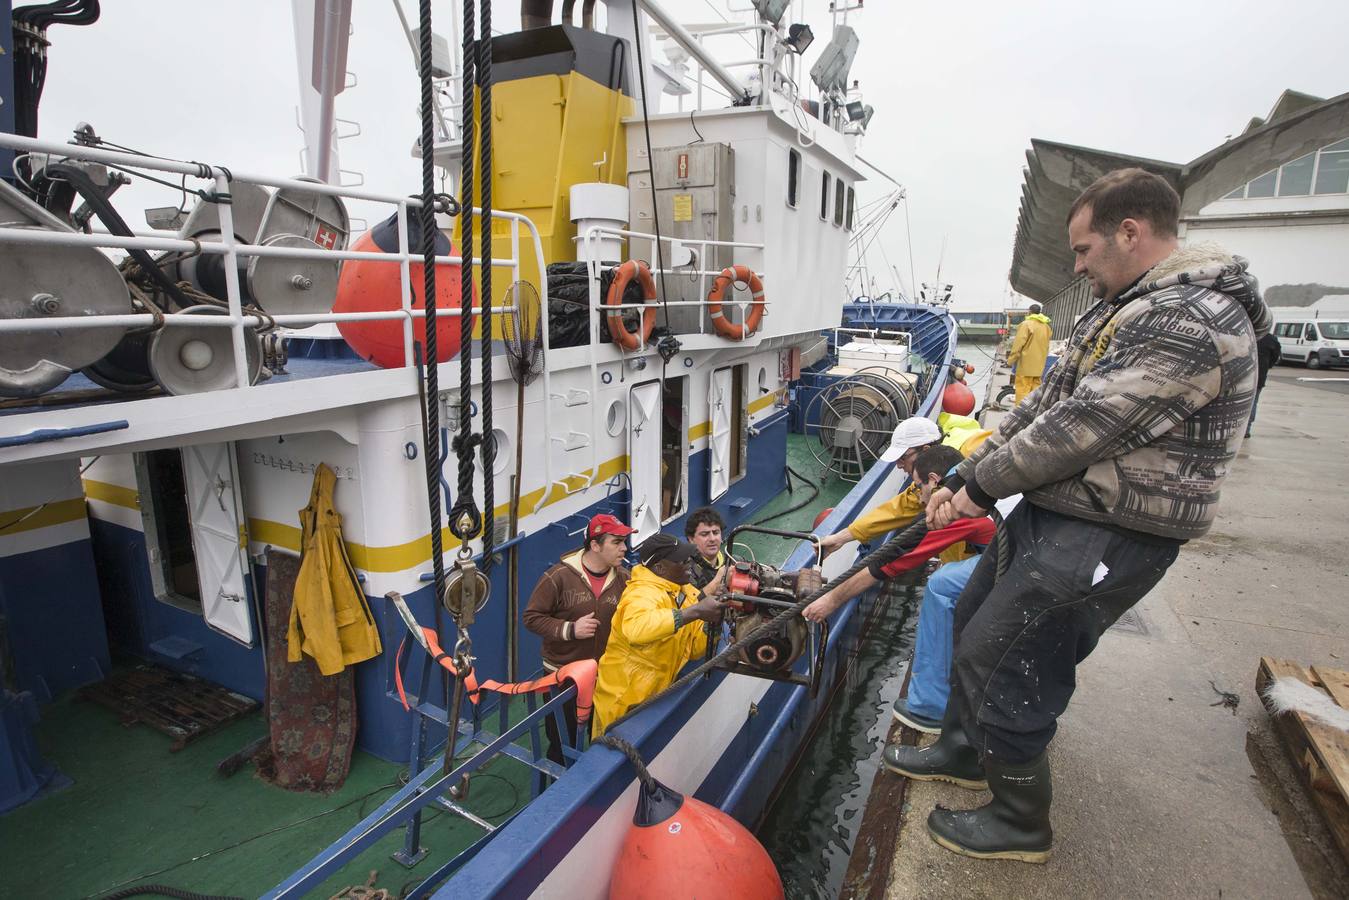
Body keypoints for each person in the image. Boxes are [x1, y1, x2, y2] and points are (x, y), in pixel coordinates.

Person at [893, 168, 1268, 864]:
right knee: (972, 617)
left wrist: (976, 492)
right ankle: (963, 750)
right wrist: (968, 473)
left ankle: (1018, 821)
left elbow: (1083, 428)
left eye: (1081, 250)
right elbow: (1043, 410)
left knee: (1010, 657)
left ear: (1129, 232)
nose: (1074, 266)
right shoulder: (1126, 306)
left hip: (1115, 524)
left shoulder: (1190, 321)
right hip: (1059, 509)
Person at [803, 446, 995, 736]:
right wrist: (841, 539)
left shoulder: (958, 506)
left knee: (942, 585)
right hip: (1026, 554)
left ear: (934, 480)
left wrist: (830, 600)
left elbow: (893, 559)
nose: (917, 495)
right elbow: (897, 512)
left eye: (918, 486)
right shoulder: (963, 477)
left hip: (1021, 566)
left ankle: (930, 709)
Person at [523, 513, 634, 764]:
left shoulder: (625, 580)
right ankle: (558, 791)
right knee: (561, 742)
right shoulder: (557, 577)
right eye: (616, 542)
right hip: (563, 678)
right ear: (595, 545)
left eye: (624, 541)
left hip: (605, 676)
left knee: (602, 737)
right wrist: (570, 629)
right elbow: (531, 617)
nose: (624, 548)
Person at [592, 534, 726, 735]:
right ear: (660, 568)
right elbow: (637, 628)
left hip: (656, 694)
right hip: (623, 702)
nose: (689, 563)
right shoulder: (641, 594)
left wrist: (711, 626)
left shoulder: (683, 590)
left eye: (688, 558)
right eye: (681, 561)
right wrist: (694, 612)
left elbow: (693, 647)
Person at [1007, 303, 1053, 403]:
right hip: (1039, 366)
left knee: (1022, 390)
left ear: (1029, 312)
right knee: (1035, 391)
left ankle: (1020, 414)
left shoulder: (1026, 324)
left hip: (1025, 366)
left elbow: (1018, 345)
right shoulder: (1046, 327)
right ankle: (1032, 412)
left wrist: (1010, 361)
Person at [1247, 332, 1281, 438]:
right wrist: (1266, 365)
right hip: (1259, 376)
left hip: (1243, 375)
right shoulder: (1270, 339)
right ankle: (1247, 429)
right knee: (1253, 402)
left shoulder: (1245, 334)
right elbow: (1275, 358)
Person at [684, 506, 727, 590]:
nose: (712, 539)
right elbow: (690, 602)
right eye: (704, 534)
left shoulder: (732, 560)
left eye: (716, 533)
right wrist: (719, 580)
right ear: (691, 539)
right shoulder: (685, 571)